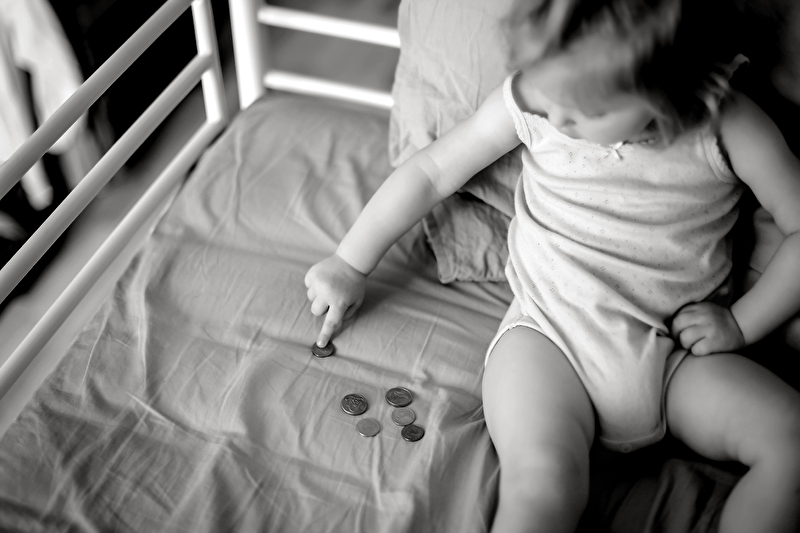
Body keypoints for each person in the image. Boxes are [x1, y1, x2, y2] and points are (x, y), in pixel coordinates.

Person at [304, 0, 800, 531]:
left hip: (674, 354)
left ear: (664, 86)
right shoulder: (537, 100)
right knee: (542, 481)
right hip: (547, 339)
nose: (555, 117)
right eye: (545, 91)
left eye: (582, 109)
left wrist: (741, 323)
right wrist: (349, 261)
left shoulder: (726, 125)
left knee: (790, 439)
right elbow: (431, 172)